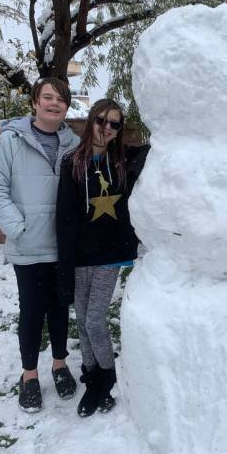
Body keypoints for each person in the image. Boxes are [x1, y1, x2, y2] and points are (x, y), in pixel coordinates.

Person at [0, 77, 79, 412]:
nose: (55, 103)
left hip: (63, 246)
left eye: (61, 99)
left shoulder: (73, 143)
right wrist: (17, 227)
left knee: (60, 309)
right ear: (35, 102)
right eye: (48, 97)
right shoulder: (10, 141)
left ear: (67, 106)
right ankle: (30, 375)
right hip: (29, 246)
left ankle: (60, 364)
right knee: (32, 311)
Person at [56, 98, 148, 418]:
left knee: (95, 318)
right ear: (90, 120)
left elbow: (161, 150)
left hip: (112, 253)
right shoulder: (72, 163)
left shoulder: (124, 159)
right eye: (102, 121)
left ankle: (105, 377)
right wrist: (65, 267)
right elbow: (64, 219)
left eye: (114, 124)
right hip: (81, 255)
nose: (106, 128)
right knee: (81, 318)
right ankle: (91, 373)